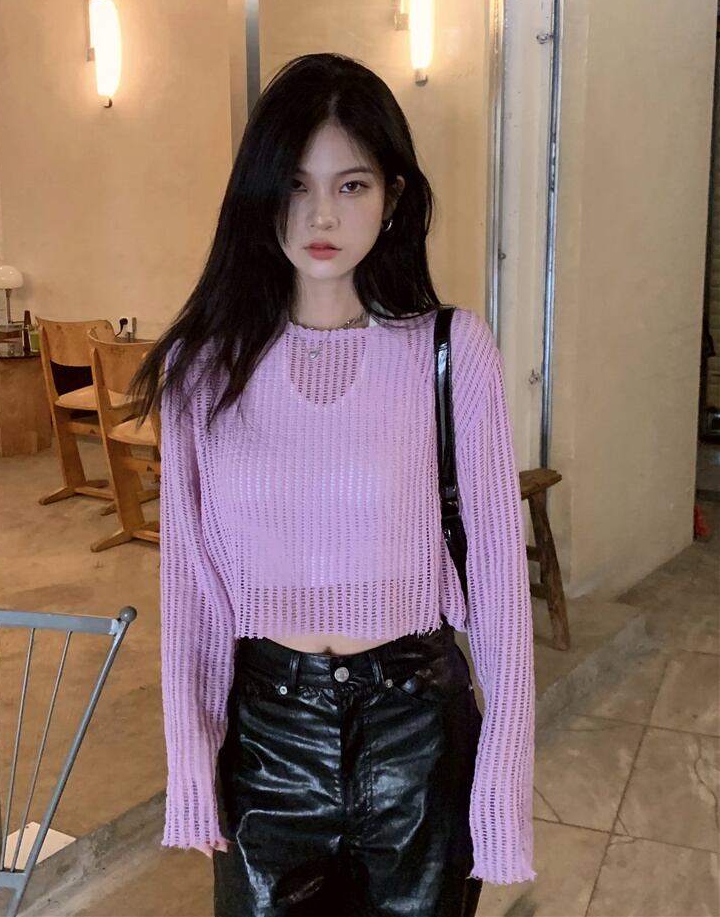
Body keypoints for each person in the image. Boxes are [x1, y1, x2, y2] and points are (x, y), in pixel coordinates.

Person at [133, 52, 536, 917]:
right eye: (297, 185)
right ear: (261, 194)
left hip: (417, 733)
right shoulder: (202, 369)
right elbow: (192, 587)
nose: (322, 215)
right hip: (267, 738)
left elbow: (501, 581)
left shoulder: (450, 353)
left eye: (351, 185)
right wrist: (190, 758)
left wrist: (501, 782)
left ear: (392, 196)